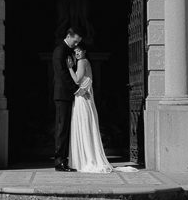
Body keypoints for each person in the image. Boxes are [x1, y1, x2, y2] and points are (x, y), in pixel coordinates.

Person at [68, 44, 135, 174]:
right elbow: (87, 81)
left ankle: (85, 158)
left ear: (84, 52)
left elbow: (77, 80)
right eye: (75, 52)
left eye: (79, 51)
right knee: (86, 124)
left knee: (84, 124)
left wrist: (70, 68)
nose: (77, 53)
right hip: (84, 95)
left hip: (82, 98)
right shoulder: (85, 62)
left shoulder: (82, 61)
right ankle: (87, 156)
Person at [51, 28, 81, 172]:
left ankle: (65, 158)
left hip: (67, 94)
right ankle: (59, 161)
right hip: (62, 94)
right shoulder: (60, 51)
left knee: (66, 127)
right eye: (75, 41)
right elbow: (62, 74)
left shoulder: (68, 50)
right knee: (62, 128)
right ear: (68, 36)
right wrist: (75, 89)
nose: (76, 44)